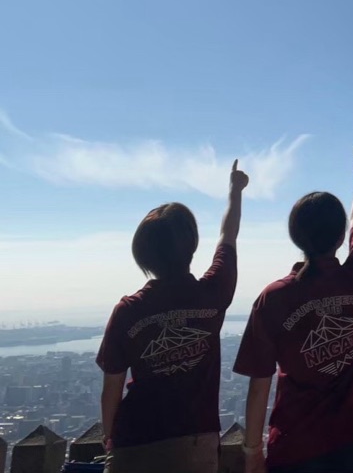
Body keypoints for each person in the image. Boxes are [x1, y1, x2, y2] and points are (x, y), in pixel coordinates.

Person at [234, 147, 353, 473]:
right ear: (340, 237)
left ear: (295, 237)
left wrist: (252, 451)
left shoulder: (275, 298)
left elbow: (259, 384)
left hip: (298, 446)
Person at [97, 159, 249, 473]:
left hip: (133, 442)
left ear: (142, 254)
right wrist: (236, 190)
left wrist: (109, 436)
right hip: (194, 442)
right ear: (191, 246)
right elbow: (228, 236)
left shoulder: (128, 311)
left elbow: (112, 386)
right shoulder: (213, 293)